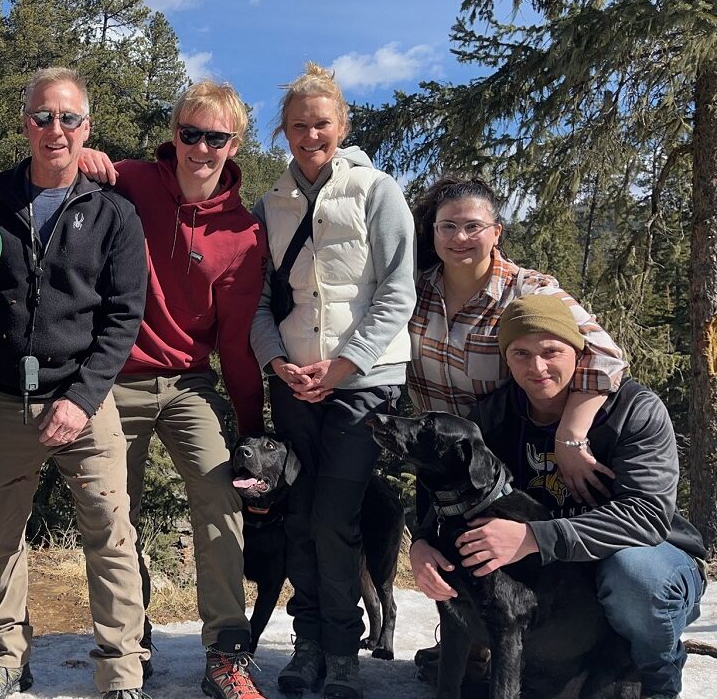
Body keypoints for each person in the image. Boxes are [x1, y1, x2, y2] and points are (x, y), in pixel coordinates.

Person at [0, 67, 149, 699]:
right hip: (1, 397)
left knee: (111, 537)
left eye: (69, 118)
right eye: (43, 117)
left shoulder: (115, 215)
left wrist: (83, 397)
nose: (56, 130)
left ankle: (120, 671)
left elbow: (124, 317)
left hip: (84, 400)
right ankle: (6, 658)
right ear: (25, 124)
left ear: (86, 127)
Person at [409, 295, 707, 699]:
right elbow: (441, 485)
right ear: (506, 360)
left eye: (552, 351)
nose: (537, 367)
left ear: (578, 351)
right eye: (521, 354)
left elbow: (648, 517)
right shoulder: (493, 418)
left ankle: (654, 678)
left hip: (646, 555)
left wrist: (534, 538)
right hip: (560, 582)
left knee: (635, 580)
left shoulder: (632, 410)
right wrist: (423, 544)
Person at [79, 80, 270, 699]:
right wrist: (83, 153)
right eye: (190, 133)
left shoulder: (243, 234)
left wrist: (251, 426)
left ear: (233, 144)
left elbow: (237, 344)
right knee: (115, 512)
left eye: (216, 137)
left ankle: (225, 652)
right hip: (115, 380)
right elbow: (76, 169)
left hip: (191, 383)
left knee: (219, 496)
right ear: (174, 134)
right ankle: (131, 643)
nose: (201, 148)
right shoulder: (131, 181)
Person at [406, 175, 627, 683]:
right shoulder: (415, 290)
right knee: (440, 554)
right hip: (437, 454)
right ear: (433, 232)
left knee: (502, 558)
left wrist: (571, 435)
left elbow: (606, 356)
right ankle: (470, 642)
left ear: (497, 231)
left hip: (502, 452)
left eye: (473, 226)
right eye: (448, 226)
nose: (460, 237)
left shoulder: (529, 289)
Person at [249, 63, 415, 699]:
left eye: (321, 123)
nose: (309, 135)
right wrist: (276, 363)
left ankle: (342, 650)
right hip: (293, 381)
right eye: (298, 126)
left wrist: (344, 366)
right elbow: (259, 303)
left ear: (341, 126)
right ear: (284, 132)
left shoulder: (379, 192)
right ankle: (309, 642)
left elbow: (398, 292)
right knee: (297, 518)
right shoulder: (273, 204)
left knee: (334, 517)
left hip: (366, 382)